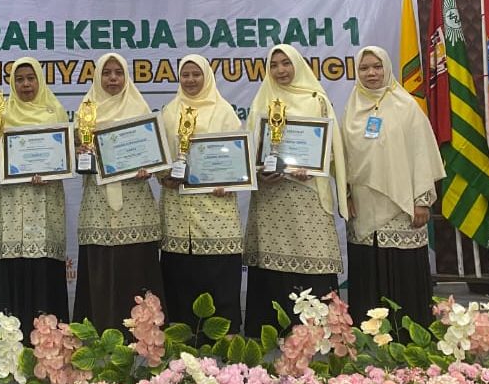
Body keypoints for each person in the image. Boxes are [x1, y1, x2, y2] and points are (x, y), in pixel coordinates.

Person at [243, 44, 348, 335]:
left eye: (286, 63)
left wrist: (315, 165)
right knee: (272, 261)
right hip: (272, 196)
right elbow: (251, 149)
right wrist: (260, 172)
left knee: (312, 257)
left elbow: (332, 147)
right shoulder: (262, 100)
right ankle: (271, 329)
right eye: (274, 65)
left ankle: (318, 331)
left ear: (297, 64)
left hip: (308, 193)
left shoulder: (317, 100)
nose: (280, 70)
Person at [342, 45, 444, 329]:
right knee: (368, 268)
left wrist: (422, 200)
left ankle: (409, 334)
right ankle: (368, 334)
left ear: (386, 68)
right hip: (363, 205)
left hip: (402, 205)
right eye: (364, 68)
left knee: (402, 268)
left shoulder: (406, 106)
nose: (371, 73)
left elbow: (421, 154)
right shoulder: (351, 109)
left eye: (377, 66)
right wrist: (345, 195)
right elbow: (343, 159)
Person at [73, 53, 165, 331]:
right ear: (97, 76)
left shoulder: (140, 109)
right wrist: (80, 153)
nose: (112, 78)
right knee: (102, 264)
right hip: (99, 203)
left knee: (135, 263)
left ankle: (144, 335)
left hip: (136, 202)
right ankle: (101, 331)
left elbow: (155, 156)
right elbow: (76, 160)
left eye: (118, 72)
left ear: (126, 76)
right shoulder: (85, 112)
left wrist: (150, 167)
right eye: (106, 73)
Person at [158, 54, 245, 334]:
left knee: (218, 273)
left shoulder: (224, 112)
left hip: (215, 207)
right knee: (181, 272)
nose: (191, 80)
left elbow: (236, 158)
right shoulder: (169, 112)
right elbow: (159, 156)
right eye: (185, 74)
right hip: (178, 208)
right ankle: (182, 338)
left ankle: (224, 338)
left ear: (206, 76)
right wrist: (164, 177)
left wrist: (227, 181)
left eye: (196, 74)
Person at [0, 57, 70, 332]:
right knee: (11, 263)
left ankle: (48, 333)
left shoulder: (55, 113)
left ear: (39, 80)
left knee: (43, 264)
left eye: (31, 78)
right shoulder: (1, 117)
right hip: (9, 203)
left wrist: (52, 169)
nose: (25, 84)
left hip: (44, 200)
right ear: (12, 83)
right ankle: (8, 333)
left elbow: (65, 156)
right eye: (19, 79)